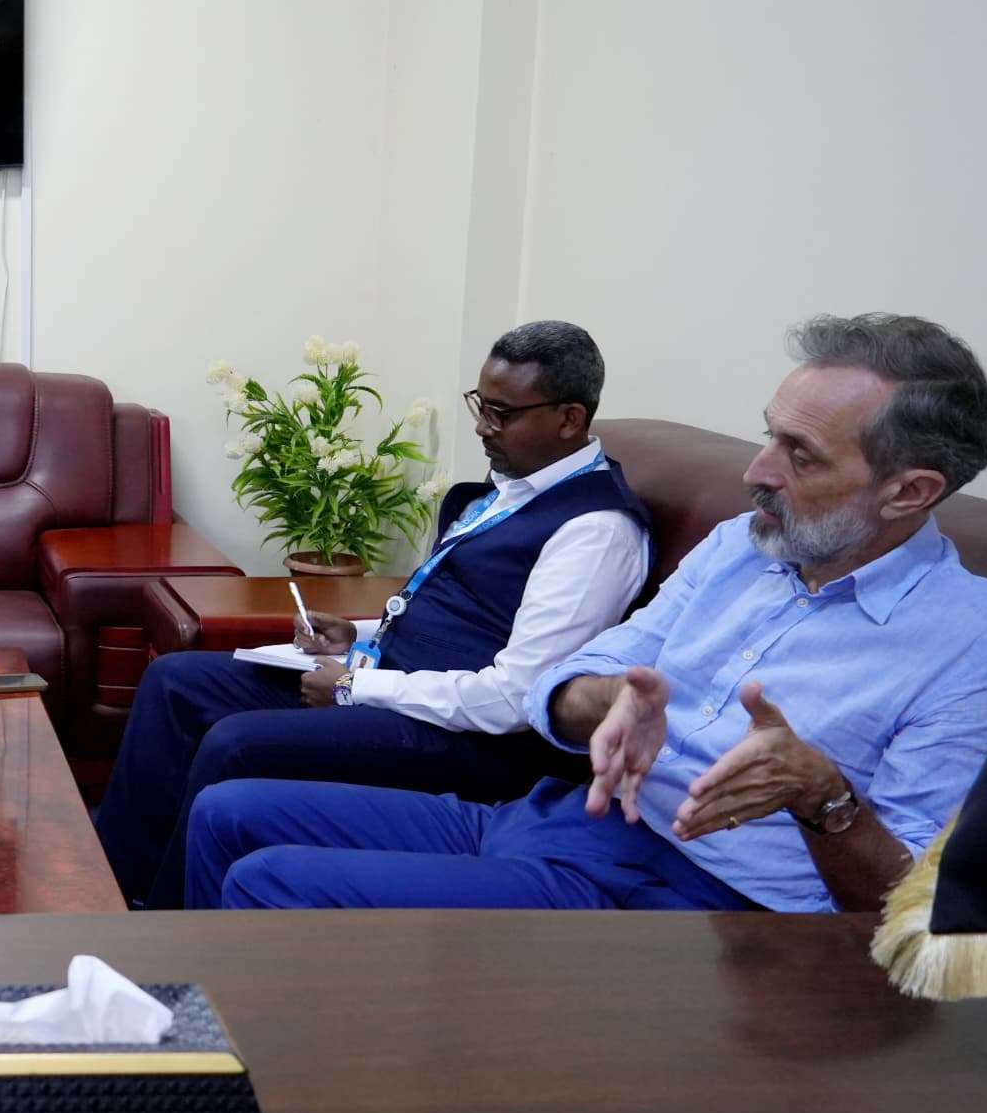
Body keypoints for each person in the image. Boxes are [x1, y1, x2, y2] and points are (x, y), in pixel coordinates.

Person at [186, 314, 987, 915]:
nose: (759, 472)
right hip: (564, 817)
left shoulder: (977, 654)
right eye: (769, 436)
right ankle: (181, 1049)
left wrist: (824, 797)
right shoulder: (744, 548)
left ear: (910, 491)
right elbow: (563, 685)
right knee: (228, 813)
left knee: (271, 879)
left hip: (687, 895)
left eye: (800, 455)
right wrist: (608, 701)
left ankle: (240, 1093)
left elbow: (910, 908)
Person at [93, 322, 652, 908]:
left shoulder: (596, 533)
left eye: (501, 414)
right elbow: (463, 611)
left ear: (568, 419)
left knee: (235, 743)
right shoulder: (516, 487)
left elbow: (518, 699)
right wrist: (355, 632)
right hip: (394, 682)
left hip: (470, 740)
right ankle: (113, 890)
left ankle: (167, 923)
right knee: (175, 682)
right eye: (480, 405)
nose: (482, 427)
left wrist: (353, 688)